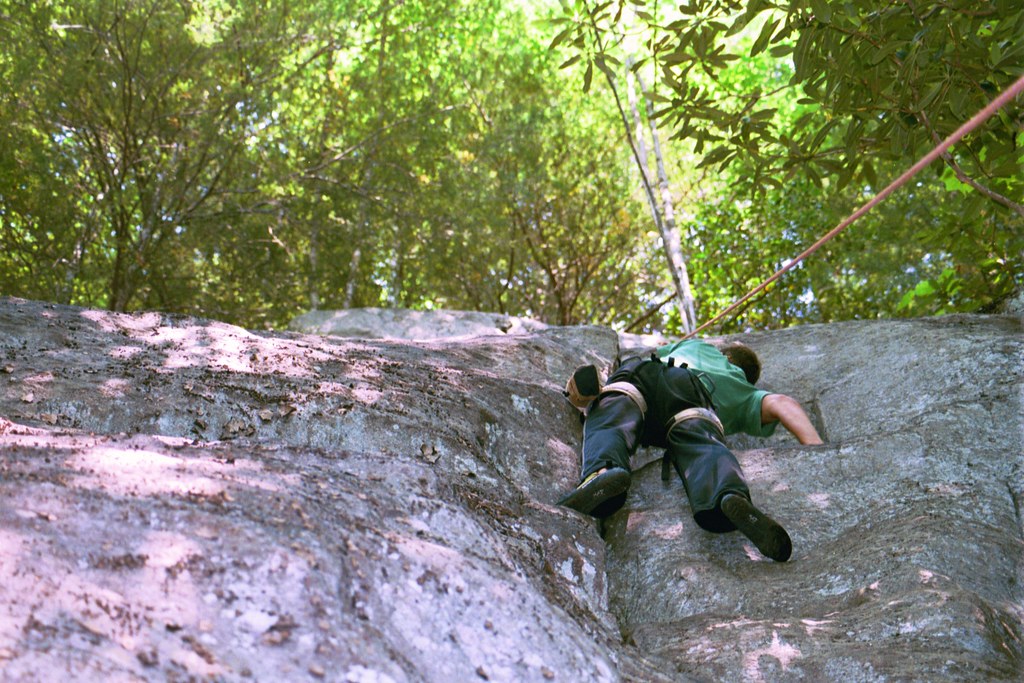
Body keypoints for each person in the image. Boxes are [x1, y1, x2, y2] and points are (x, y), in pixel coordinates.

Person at [558, 338, 823, 562]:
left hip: (646, 377)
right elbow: (782, 402)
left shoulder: (696, 345)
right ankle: (726, 495)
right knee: (704, 442)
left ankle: (603, 471)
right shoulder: (745, 390)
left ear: (724, 353)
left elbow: (656, 350)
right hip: (695, 402)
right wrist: (817, 448)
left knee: (614, 411)